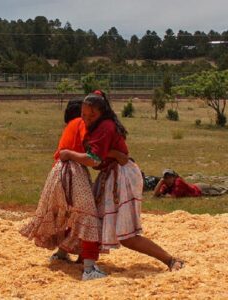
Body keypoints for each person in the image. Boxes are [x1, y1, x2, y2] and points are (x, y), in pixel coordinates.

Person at [60, 91, 184, 272]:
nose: (86, 118)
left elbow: (93, 159)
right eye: (84, 115)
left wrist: (69, 154)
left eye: (91, 114)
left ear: (102, 112)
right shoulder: (95, 126)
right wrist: (112, 154)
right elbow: (102, 156)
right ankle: (83, 258)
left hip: (122, 176)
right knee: (92, 219)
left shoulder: (105, 127)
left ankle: (170, 260)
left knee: (127, 235)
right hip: (111, 174)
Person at [20, 99, 127, 281]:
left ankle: (62, 253)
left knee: (73, 216)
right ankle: (89, 268)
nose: (88, 118)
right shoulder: (80, 124)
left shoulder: (70, 125)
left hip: (59, 172)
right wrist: (116, 153)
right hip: (72, 171)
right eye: (86, 114)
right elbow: (92, 156)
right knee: (88, 216)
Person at [154, 169, 228, 198]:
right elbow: (155, 194)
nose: (168, 179)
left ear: (174, 177)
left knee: (221, 191)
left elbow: (173, 197)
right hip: (196, 186)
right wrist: (160, 182)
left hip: (200, 189)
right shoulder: (165, 185)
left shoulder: (178, 182)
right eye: (166, 178)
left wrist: (163, 195)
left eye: (170, 177)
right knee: (220, 190)